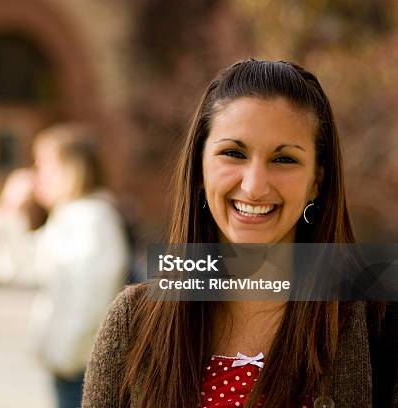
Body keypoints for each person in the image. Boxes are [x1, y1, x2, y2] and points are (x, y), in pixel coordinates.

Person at [82, 60, 397, 407]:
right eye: (233, 153)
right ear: (200, 169)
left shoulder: (378, 324)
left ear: (316, 182)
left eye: (285, 160)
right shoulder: (131, 323)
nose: (254, 186)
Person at [0, 123, 129, 408]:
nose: (35, 177)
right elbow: (17, 269)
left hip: (83, 366)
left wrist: (67, 354)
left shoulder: (91, 219)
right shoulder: (69, 218)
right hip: (72, 365)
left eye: (43, 166)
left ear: (71, 169)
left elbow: (94, 298)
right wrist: (9, 210)